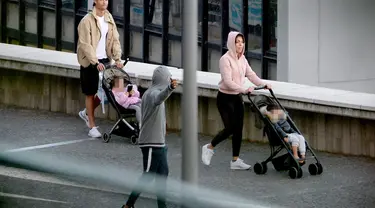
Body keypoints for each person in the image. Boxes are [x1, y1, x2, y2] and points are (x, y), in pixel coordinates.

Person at [201, 31, 272, 170]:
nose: (240, 44)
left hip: (237, 98)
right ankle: (209, 147)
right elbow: (227, 82)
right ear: (231, 43)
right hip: (225, 98)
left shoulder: (243, 59)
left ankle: (235, 160)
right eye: (237, 42)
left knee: (238, 129)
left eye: (242, 42)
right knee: (230, 128)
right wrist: (244, 89)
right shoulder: (225, 59)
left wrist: (262, 84)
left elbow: (251, 74)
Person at [122, 66, 178, 208]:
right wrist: (170, 88)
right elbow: (159, 99)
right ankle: (128, 205)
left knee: (163, 174)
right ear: (163, 79)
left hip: (159, 143)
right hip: (151, 142)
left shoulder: (154, 92)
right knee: (148, 175)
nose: (170, 80)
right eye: (168, 78)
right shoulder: (152, 94)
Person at [76, 0, 123, 138]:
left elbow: (115, 40)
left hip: (105, 60)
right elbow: (85, 45)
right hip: (90, 61)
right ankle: (91, 125)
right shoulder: (86, 21)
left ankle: (86, 112)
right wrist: (95, 62)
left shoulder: (109, 18)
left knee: (116, 89)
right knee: (90, 92)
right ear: (95, 1)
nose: (104, 2)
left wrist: (118, 59)